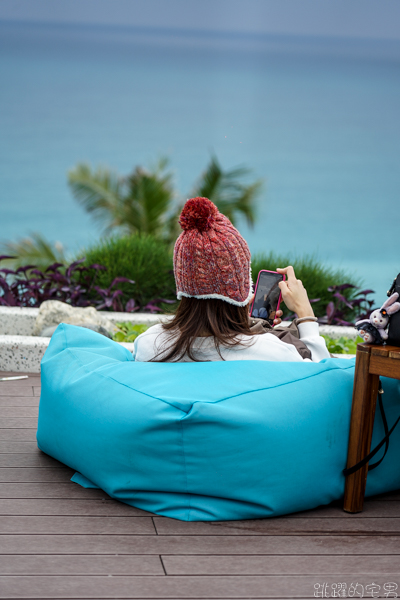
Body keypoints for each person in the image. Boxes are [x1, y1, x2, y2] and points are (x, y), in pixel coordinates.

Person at [132, 197, 330, 363]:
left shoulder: (149, 344)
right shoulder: (272, 352)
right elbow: (321, 375)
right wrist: (305, 313)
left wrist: (245, 322)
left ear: (184, 282)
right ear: (241, 291)